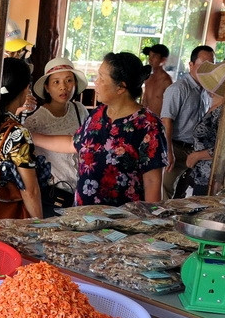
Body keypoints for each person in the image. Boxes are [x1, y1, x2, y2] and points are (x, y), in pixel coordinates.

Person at [33, 52, 167, 206]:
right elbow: (73, 144)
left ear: (120, 87)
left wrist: (150, 217)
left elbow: (152, 181)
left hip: (123, 217)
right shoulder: (98, 114)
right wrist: (30, 135)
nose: (96, 82)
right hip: (84, 213)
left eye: (102, 78)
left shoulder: (148, 125)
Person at [23, 57, 88, 216]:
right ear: (47, 87)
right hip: (54, 196)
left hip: (82, 192)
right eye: (56, 82)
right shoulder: (35, 121)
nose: (63, 87)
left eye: (68, 80)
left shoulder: (79, 110)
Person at [0, 57, 41, 227]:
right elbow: (29, 190)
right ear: (26, 89)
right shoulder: (17, 133)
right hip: (8, 218)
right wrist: (40, 226)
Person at [160, 44, 215, 198]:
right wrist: (168, 151)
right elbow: (166, 121)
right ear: (191, 65)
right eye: (203, 65)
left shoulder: (206, 91)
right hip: (176, 147)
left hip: (195, 150)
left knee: (182, 191)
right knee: (166, 190)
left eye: (211, 65)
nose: (207, 70)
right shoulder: (178, 89)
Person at [173, 61, 225, 198]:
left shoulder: (223, 112)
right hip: (201, 172)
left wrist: (198, 155)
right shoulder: (214, 106)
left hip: (212, 174)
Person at [140, 43, 172, 117]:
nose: (150, 59)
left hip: (158, 120)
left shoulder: (167, 81)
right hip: (145, 118)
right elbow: (144, 101)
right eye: (150, 56)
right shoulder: (148, 78)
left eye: (154, 56)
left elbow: (170, 107)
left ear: (163, 60)